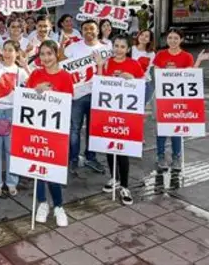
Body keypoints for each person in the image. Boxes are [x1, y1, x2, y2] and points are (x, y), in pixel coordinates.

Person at [152, 28, 209, 171]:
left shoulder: (186, 56)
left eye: (175, 38)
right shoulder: (160, 55)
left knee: (176, 128)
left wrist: (198, 60)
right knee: (161, 128)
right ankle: (160, 156)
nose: (172, 40)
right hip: (162, 96)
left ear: (181, 40)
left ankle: (176, 157)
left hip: (179, 98)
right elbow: (156, 73)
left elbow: (191, 75)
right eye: (170, 38)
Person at [27, 40, 71, 227]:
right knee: (37, 169)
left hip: (56, 131)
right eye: (42, 54)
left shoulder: (66, 76)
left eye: (49, 54)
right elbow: (27, 98)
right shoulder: (35, 74)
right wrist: (36, 91)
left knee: (53, 170)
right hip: (37, 129)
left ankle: (59, 206)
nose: (46, 58)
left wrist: (53, 93)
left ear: (56, 54)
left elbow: (68, 102)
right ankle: (43, 203)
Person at [100, 35, 145, 206]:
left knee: (123, 150)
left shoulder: (134, 64)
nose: (118, 49)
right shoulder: (107, 63)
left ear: (127, 49)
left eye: (122, 47)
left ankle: (125, 186)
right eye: (116, 46)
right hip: (108, 111)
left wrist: (131, 79)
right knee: (109, 147)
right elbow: (100, 81)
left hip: (126, 114)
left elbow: (141, 85)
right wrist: (99, 66)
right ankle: (114, 178)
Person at [62, 19, 110, 174]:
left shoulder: (106, 48)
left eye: (92, 28)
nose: (89, 31)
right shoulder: (73, 47)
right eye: (85, 29)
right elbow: (61, 63)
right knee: (74, 129)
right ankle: (73, 159)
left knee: (93, 129)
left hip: (98, 95)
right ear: (81, 31)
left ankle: (91, 157)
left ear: (98, 31)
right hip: (77, 96)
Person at [0, 39, 29, 197]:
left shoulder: (21, 71)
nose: (7, 53)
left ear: (17, 53)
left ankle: (12, 182)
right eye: (5, 50)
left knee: (11, 150)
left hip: (13, 112)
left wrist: (25, 66)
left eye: (11, 50)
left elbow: (34, 85)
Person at [132, 29, 156, 105]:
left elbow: (153, 69)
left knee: (141, 108)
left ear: (149, 40)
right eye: (142, 35)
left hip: (145, 85)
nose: (143, 37)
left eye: (146, 36)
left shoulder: (151, 54)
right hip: (131, 84)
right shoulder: (131, 49)